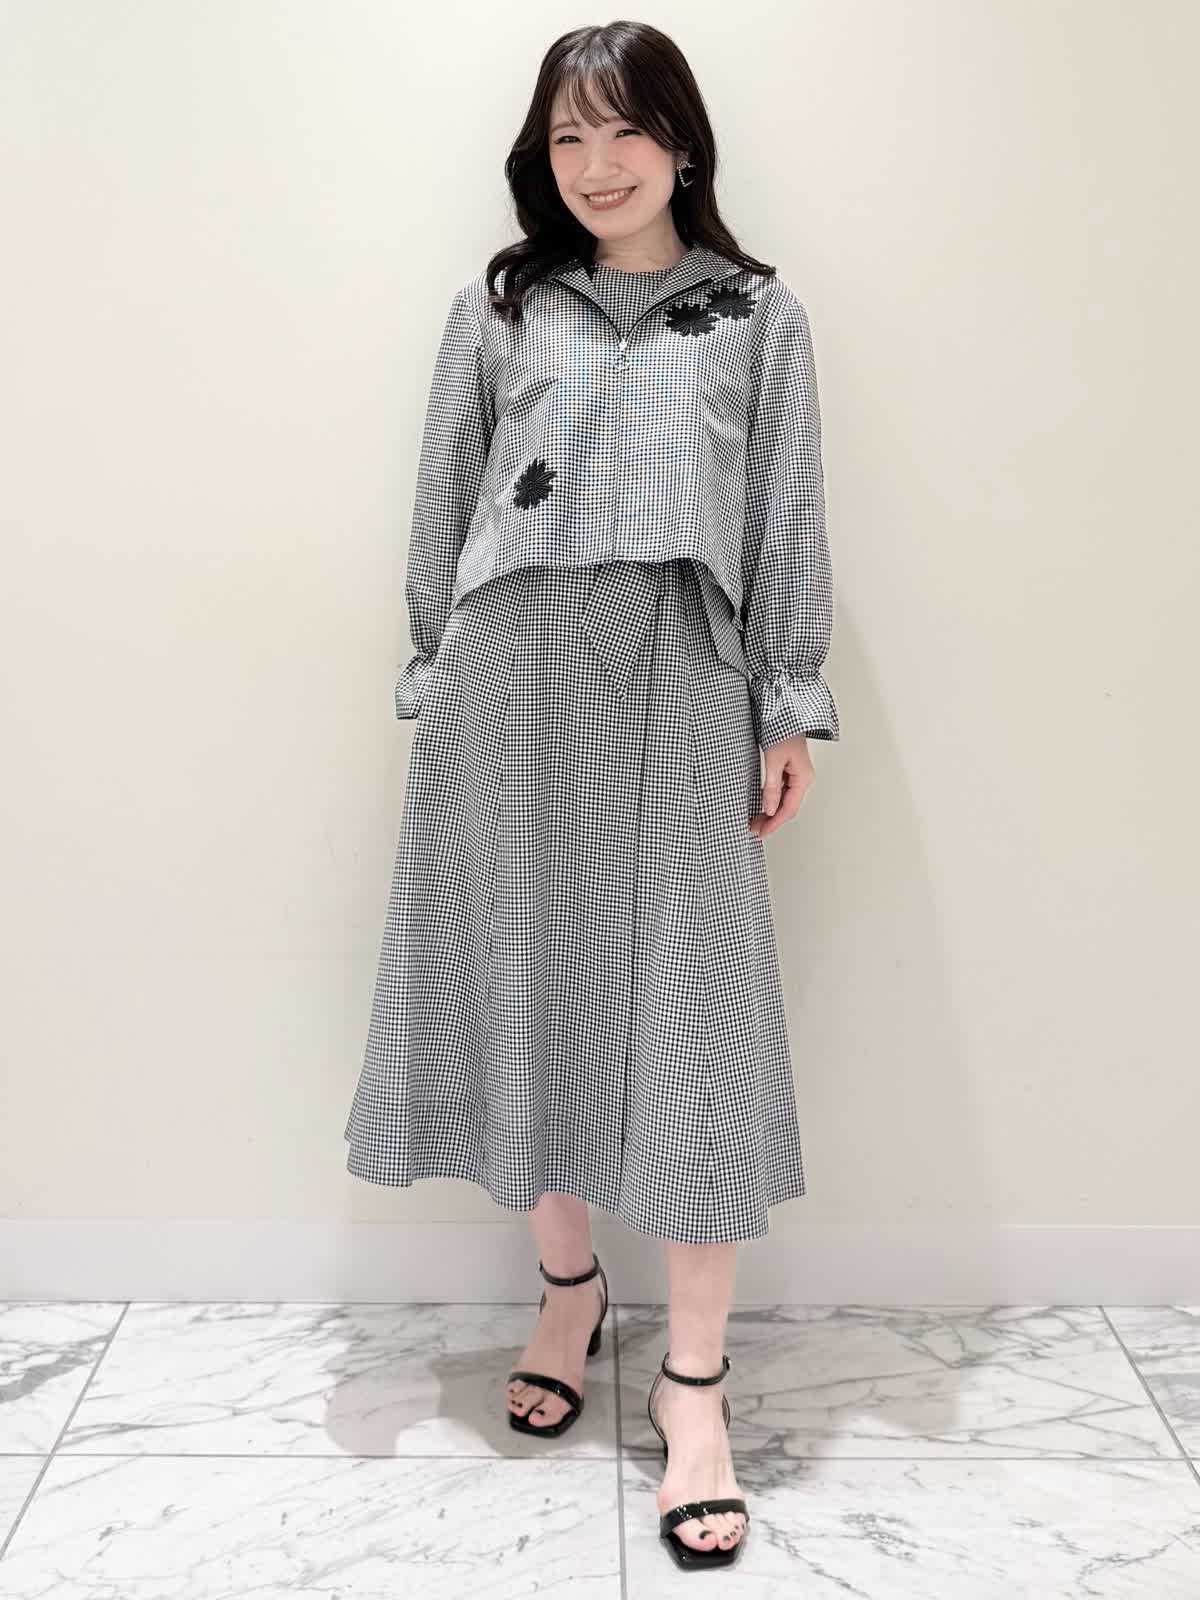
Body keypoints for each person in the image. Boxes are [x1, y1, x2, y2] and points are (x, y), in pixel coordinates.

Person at [343, 20, 840, 1571]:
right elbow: (443, 504)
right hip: (512, 679)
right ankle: (569, 1291)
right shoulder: (502, 308)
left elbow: (788, 515)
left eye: (625, 129)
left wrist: (787, 701)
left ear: (682, 144)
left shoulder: (758, 316)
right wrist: (436, 670)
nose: (598, 163)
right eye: (569, 135)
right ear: (539, 156)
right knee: (528, 989)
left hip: (682, 677)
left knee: (695, 1022)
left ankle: (695, 1389)